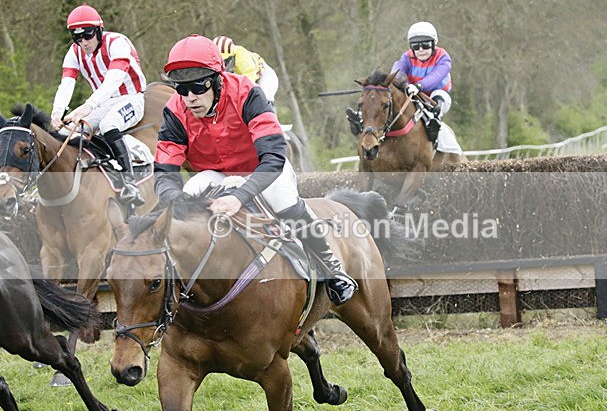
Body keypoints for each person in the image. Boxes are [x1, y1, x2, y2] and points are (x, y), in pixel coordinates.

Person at [154, 34, 356, 306]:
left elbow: (273, 156)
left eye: (198, 87)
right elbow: (165, 174)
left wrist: (240, 196)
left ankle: (333, 269)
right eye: (182, 89)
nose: (190, 98)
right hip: (216, 174)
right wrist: (175, 201)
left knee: (284, 202)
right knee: (184, 202)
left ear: (216, 79)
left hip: (263, 169)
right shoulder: (174, 111)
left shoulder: (249, 93)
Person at [50, 4, 146, 206]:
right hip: (103, 101)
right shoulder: (74, 52)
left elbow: (114, 79)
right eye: (77, 37)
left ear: (99, 31)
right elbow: (67, 83)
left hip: (130, 97)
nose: (83, 42)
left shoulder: (117, 42)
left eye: (88, 35)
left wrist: (88, 105)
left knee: (109, 125)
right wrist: (57, 112)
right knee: (72, 132)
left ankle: (130, 184)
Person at [346, 21, 452, 144]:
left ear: (434, 44)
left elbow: (437, 75)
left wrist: (419, 86)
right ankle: (361, 118)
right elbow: (398, 70)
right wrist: (396, 83)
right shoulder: (407, 56)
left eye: (426, 45)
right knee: (390, 100)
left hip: (434, 95)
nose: (421, 49)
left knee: (439, 96)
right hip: (412, 92)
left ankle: (434, 122)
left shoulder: (443, 57)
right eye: (416, 46)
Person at [213, 35, 279, 104]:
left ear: (233, 56)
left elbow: (248, 89)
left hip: (264, 76)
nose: (223, 65)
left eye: (226, 61)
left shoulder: (244, 61)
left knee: (262, 101)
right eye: (219, 60)